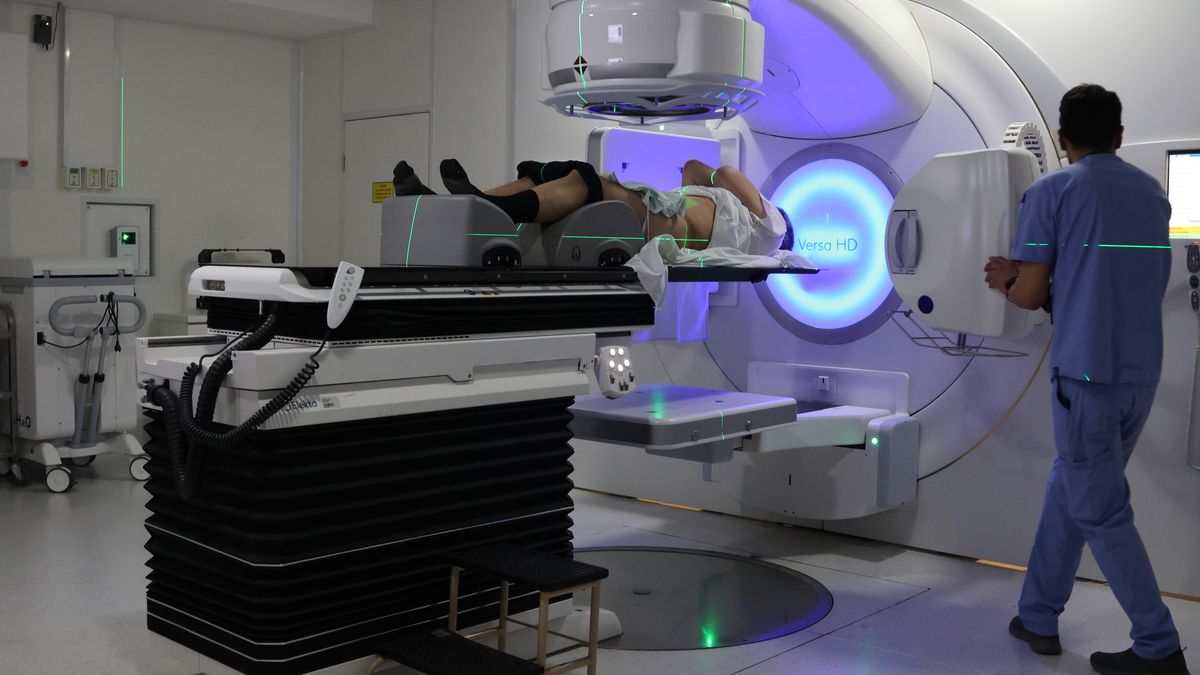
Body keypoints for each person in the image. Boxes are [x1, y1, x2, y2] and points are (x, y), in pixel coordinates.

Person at [984, 84, 1188, 675]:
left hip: (1086, 374)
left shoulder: (1051, 191)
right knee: (1070, 488)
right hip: (1140, 374)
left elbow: (1028, 295)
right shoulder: (1152, 193)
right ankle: (1038, 615)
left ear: (1060, 137)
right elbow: (1111, 277)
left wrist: (1006, 278)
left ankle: (1158, 646)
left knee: (1100, 509)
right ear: (1119, 136)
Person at [392, 157, 792, 255]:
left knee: (584, 181)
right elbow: (695, 172)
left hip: (665, 221)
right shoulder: (747, 228)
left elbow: (716, 171)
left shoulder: (772, 227)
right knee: (541, 175)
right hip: (663, 214)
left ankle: (487, 206)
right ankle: (462, 203)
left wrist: (714, 183)